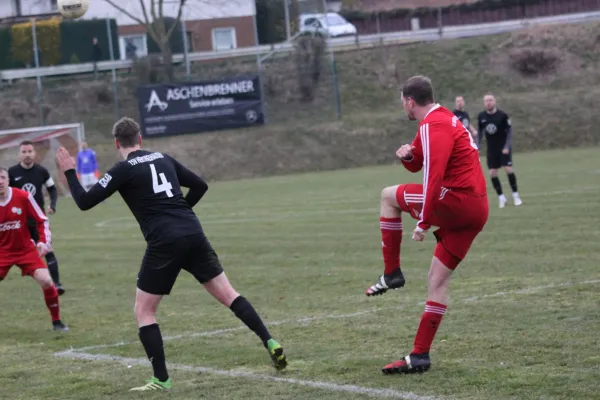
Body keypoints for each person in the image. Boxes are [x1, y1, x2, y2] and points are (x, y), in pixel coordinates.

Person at [56, 117, 288, 391]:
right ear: (140, 139)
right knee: (229, 294)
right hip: (193, 233)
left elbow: (84, 202)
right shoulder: (163, 158)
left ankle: (161, 379)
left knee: (144, 311)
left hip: (165, 242)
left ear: (117, 143)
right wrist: (181, 212)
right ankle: (269, 340)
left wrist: (70, 171)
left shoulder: (123, 169)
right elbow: (200, 185)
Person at [365, 76, 489, 374]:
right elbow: (420, 162)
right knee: (437, 280)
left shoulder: (434, 125)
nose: (402, 107)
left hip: (457, 201)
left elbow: (433, 176)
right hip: (476, 209)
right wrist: (408, 156)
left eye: (402, 102)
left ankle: (392, 272)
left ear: (410, 101)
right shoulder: (440, 118)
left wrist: (424, 221)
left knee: (387, 197)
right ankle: (419, 356)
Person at [0, 167, 68, 332]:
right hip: (2, 252)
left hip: (25, 250)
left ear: (8, 179)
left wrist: (44, 242)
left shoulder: (23, 196)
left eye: (2, 177)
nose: (0, 182)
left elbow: (42, 220)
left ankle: (57, 321)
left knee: (46, 280)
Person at [8, 140, 65, 295]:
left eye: (30, 151)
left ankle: (57, 284)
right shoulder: (11, 173)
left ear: (35, 153)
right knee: (11, 253)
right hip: (18, 223)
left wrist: (52, 205)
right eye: (24, 152)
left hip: (38, 221)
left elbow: (52, 189)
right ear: (19, 154)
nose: (27, 155)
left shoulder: (42, 171)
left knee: (48, 250)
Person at [477, 94, 522, 208]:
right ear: (484, 103)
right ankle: (501, 197)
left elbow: (509, 132)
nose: (488, 102)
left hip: (503, 148)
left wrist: (507, 146)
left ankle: (516, 196)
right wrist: (477, 146)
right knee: (492, 173)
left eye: (490, 100)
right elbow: (480, 133)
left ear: (494, 101)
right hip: (491, 150)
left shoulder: (503, 116)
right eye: (486, 101)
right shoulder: (481, 117)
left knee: (508, 169)